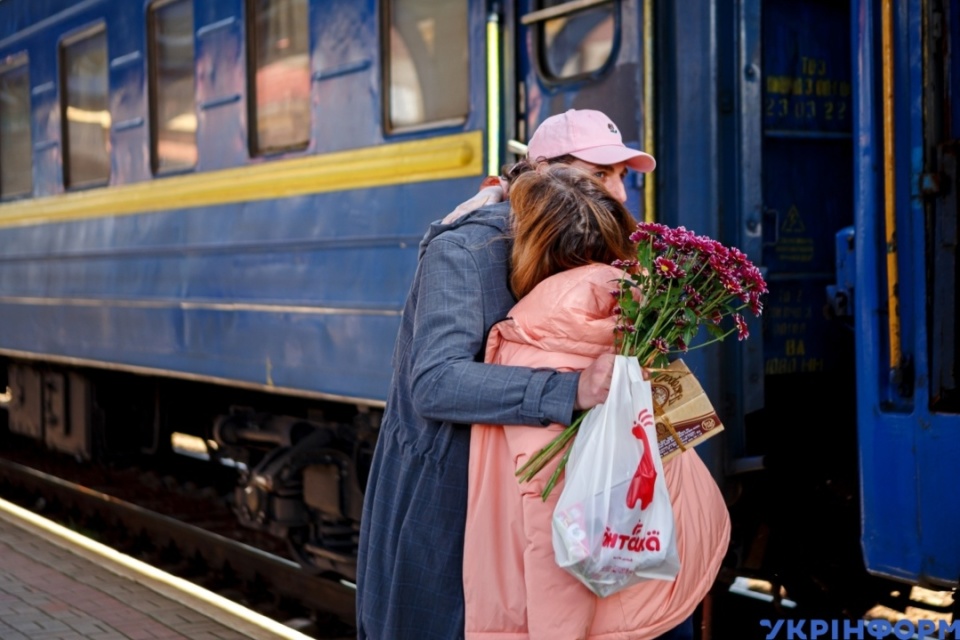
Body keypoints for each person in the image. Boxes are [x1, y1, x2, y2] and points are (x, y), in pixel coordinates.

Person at [355, 109, 654, 640]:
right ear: (545, 171)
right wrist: (570, 390)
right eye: (601, 175)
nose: (621, 195)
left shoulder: (587, 245)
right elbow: (436, 383)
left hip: (542, 498)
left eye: (622, 177)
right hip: (451, 503)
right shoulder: (467, 251)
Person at [462, 166, 731, 640]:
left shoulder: (535, 342)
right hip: (664, 575)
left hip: (613, 611)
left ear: (530, 247)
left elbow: (555, 534)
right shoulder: (640, 320)